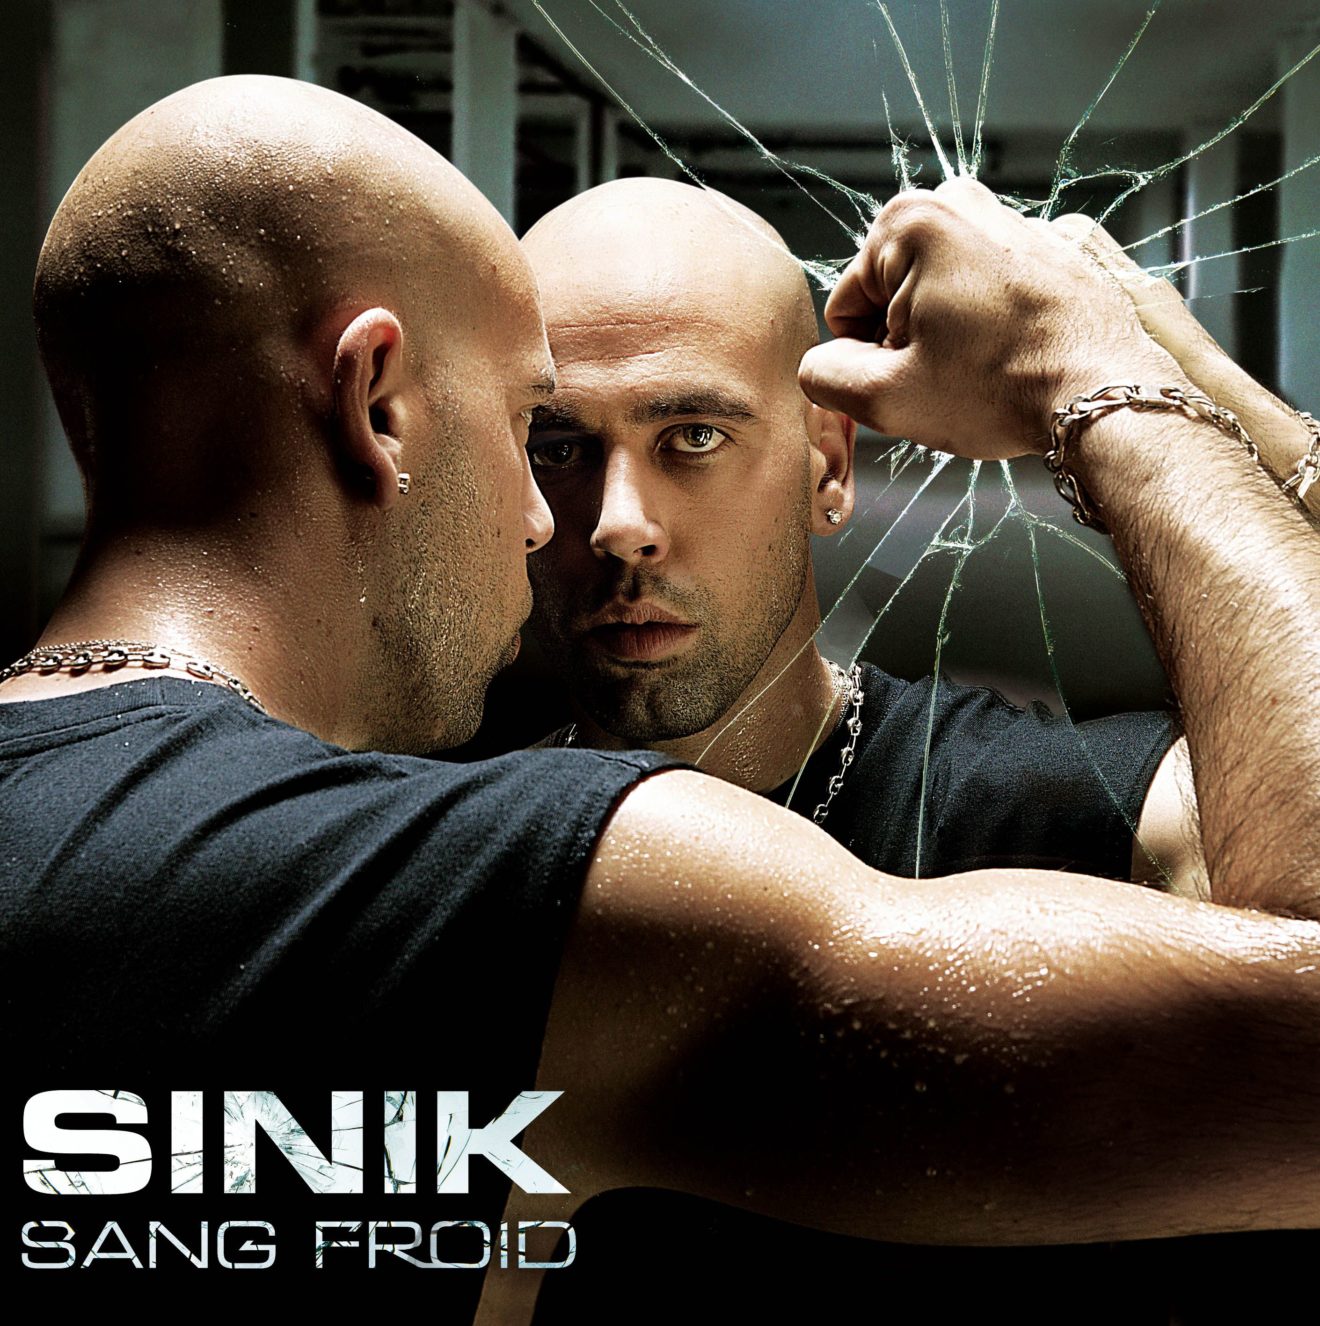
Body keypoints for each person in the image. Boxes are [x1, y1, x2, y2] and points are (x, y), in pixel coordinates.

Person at [3, 78, 1319, 1322]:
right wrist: (1117, 389)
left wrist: (1263, 434)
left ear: (828, 463)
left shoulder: (1067, 798)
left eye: (693, 437)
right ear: (376, 404)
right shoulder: (453, 859)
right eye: (543, 436)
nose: (588, 523)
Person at [519, 177, 1202, 893]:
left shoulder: (1017, 800)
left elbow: (1278, 869)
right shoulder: (461, 830)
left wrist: (1126, 378)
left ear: (829, 468)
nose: (620, 526)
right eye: (557, 450)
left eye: (695, 436)